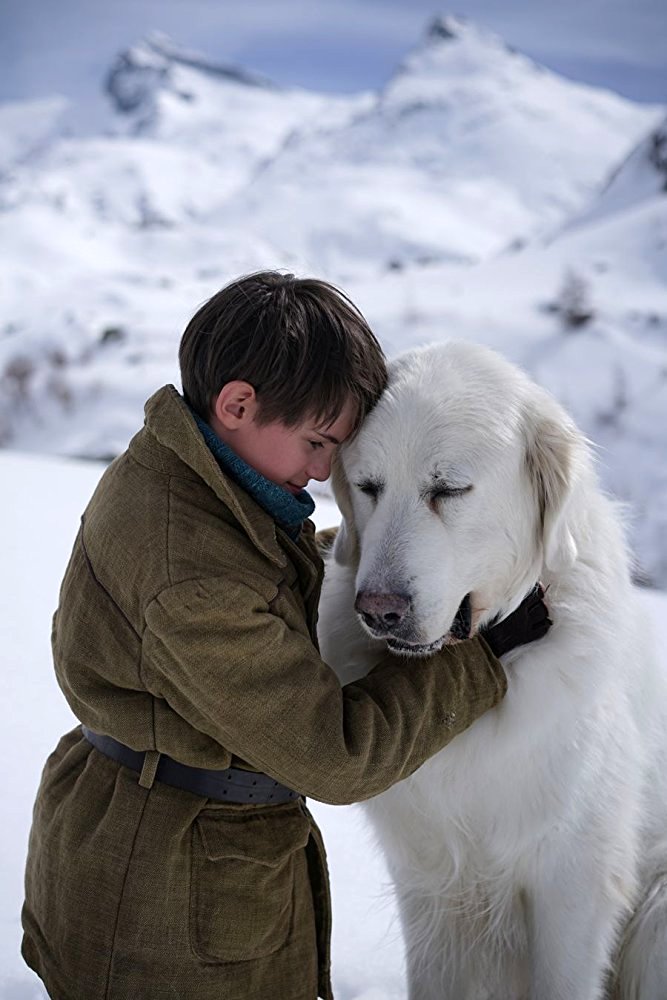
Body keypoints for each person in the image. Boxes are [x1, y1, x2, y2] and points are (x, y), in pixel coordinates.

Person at [21, 271, 550, 1000]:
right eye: (316, 440)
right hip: (174, 896)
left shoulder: (185, 473)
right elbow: (333, 758)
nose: (327, 467)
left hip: (150, 841)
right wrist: (479, 658)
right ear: (238, 404)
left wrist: (408, 565)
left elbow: (254, 575)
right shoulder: (190, 573)